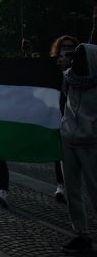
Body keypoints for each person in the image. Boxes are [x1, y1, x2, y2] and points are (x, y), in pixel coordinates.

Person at [60, 43, 97, 254]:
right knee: (72, 190)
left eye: (79, 59)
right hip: (68, 138)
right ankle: (81, 233)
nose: (75, 63)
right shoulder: (68, 78)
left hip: (91, 142)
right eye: (74, 59)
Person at [50, 35, 80, 202]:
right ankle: (60, 184)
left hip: (78, 114)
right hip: (59, 111)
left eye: (71, 46)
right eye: (64, 46)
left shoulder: (82, 67)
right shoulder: (54, 66)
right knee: (59, 150)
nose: (67, 49)